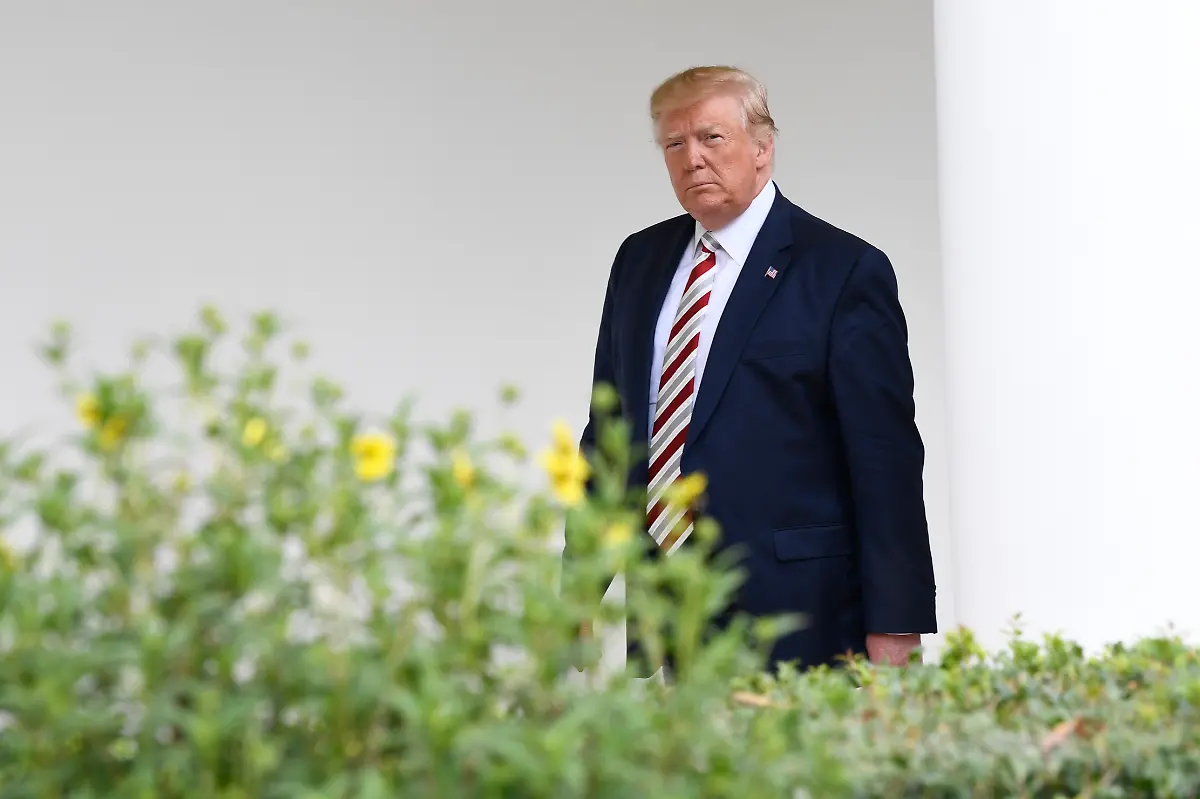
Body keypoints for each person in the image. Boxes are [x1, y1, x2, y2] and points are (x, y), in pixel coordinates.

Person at [562, 65, 936, 677]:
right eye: (674, 145)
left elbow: (885, 459)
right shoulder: (639, 261)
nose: (692, 160)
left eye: (712, 138)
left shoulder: (842, 271)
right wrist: (578, 591)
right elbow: (610, 437)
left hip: (798, 614)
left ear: (763, 148)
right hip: (667, 611)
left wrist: (895, 621)